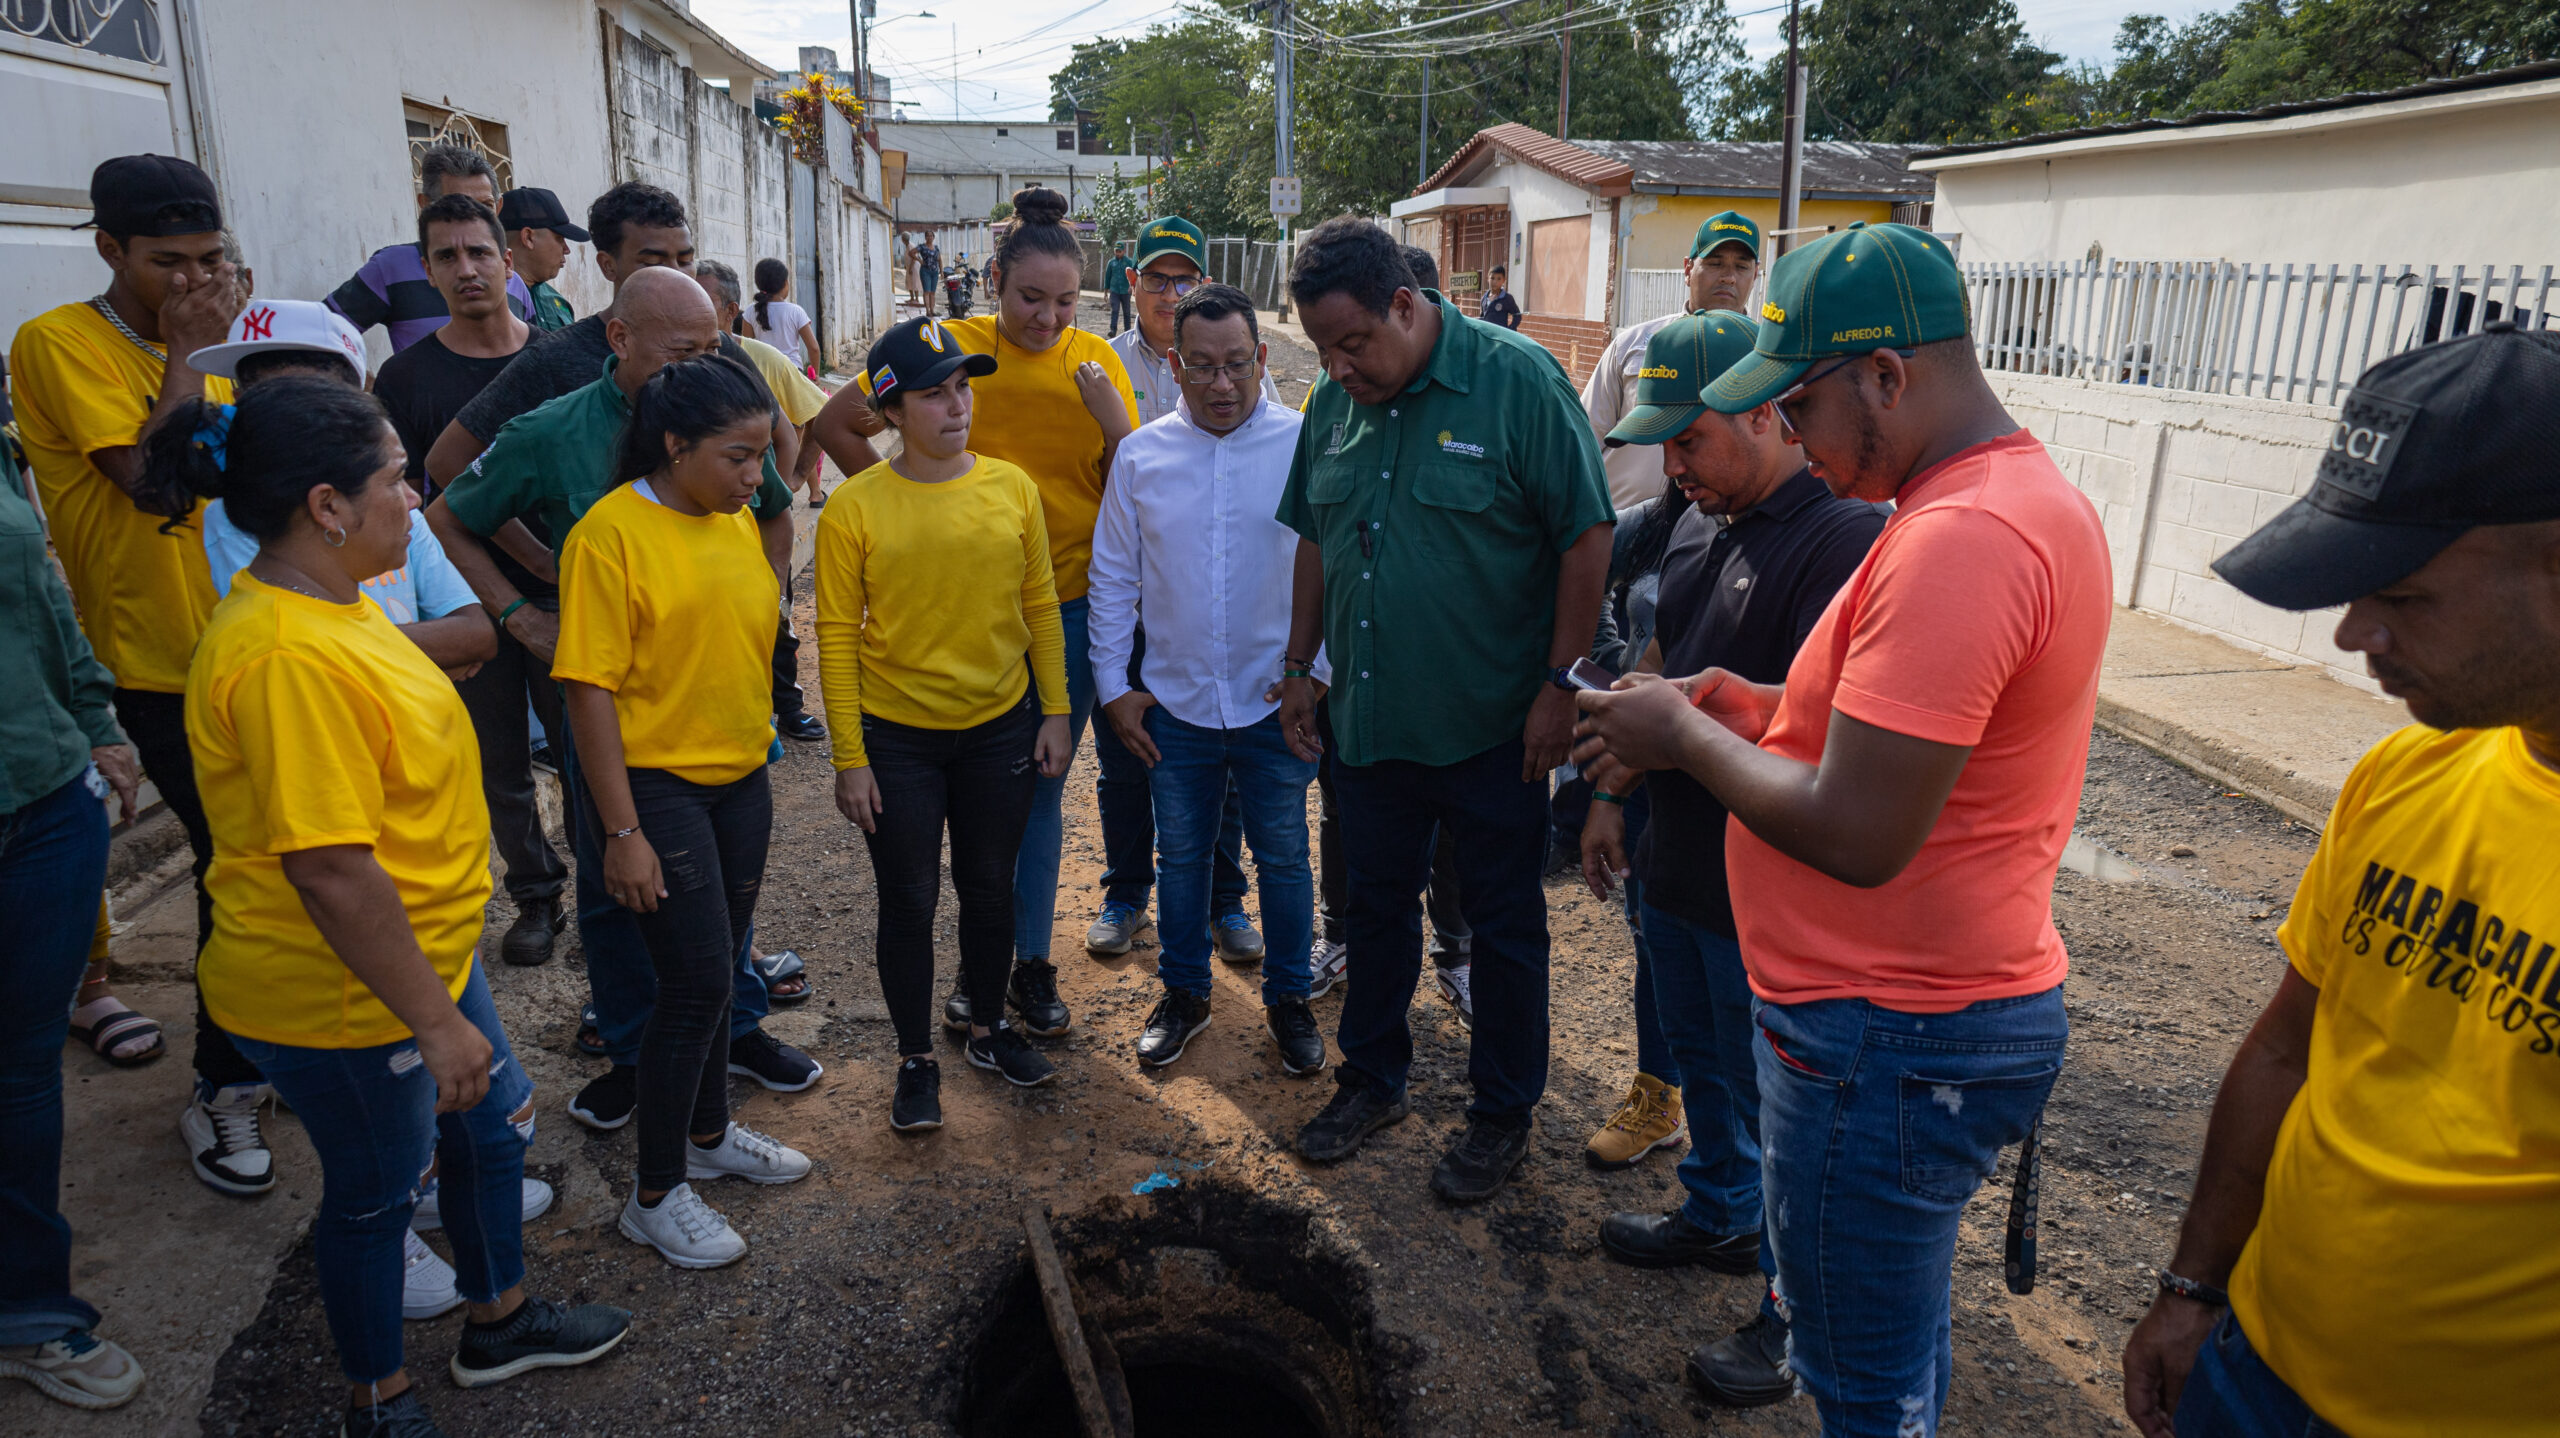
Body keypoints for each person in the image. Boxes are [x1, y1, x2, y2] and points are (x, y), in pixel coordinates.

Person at [1572, 222, 2109, 1435]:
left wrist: (1682, 739)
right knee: (1890, 1337)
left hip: (1885, 1029)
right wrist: (1748, 706)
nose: (1801, 440)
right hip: (1907, 1015)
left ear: (1885, 377)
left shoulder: (1961, 538)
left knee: (1855, 1381)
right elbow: (1893, 738)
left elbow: (1861, 829)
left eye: (1801, 404)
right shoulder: (1985, 502)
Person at [136, 376, 629, 1437]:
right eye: (399, 480)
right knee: (372, 1193)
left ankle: (497, 1317)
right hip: (350, 993)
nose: (416, 498)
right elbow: (331, 871)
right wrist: (436, 1020)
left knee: (492, 1132)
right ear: (327, 505)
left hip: (422, 961)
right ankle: (378, 1399)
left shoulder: (335, 600)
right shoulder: (282, 657)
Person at [2119, 327, 2560, 1438]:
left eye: (2403, 598)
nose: (2355, 634)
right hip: (2251, 1368)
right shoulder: (2408, 771)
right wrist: (2191, 1290)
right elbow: (2285, 1046)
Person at [426, 266, 820, 1129]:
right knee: (619, 875)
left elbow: (775, 512)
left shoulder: (726, 421)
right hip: (606, 694)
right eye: (684, 351)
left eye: (714, 346)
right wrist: (521, 612)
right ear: (619, 339)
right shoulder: (554, 431)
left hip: (709, 702)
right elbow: (449, 509)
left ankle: (730, 1030)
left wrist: (760, 597)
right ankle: (641, 1053)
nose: (707, 365)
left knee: (716, 885)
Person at [1577, 311, 1887, 1401]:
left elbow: (1827, 737)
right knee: (1702, 1064)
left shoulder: (1840, 540)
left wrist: (1675, 736)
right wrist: (1612, 788)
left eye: (1692, 440)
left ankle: (1788, 1313)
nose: (1674, 466)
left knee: (1785, 1116)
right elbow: (1663, 658)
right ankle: (1714, 1210)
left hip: (1770, 891)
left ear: (1766, 412)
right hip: (1677, 863)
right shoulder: (1699, 518)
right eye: (1659, 443)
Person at [1275, 218, 1614, 1203]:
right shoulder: (1331, 407)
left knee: (1504, 923)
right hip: (1370, 722)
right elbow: (1312, 534)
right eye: (1324, 351)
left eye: (1355, 344)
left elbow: (1585, 538)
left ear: (1407, 306)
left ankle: (1501, 1111)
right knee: (1374, 910)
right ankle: (1371, 1080)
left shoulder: (1517, 382)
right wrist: (1300, 663)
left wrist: (1562, 685)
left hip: (1492, 727)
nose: (1341, 368)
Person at [6, 154, 268, 1195]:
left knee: (283, 861)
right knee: (233, 872)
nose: (193, 281)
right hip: (161, 665)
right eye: (168, 261)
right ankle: (223, 1087)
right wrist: (191, 354)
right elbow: (152, 483)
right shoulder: (57, 344)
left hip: (262, 640)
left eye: (211, 259)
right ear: (110, 248)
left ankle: (271, 1045)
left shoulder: (223, 330)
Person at [854, 186, 1136, 1036]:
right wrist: (901, 526)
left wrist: (1115, 421)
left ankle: (1029, 966)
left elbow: (1140, 486)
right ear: (993, 283)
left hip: (1074, 609)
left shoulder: (1096, 363)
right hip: (965, 617)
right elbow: (842, 425)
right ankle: (979, 967)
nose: (1048, 319)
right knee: (962, 806)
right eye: (1029, 299)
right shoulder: (951, 349)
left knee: (1040, 793)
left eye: (1064, 301)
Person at [553, 354, 814, 1268]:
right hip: (656, 786)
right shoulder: (610, 535)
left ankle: (709, 1136)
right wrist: (619, 832)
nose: (758, 478)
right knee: (696, 984)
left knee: (724, 964)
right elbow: (587, 692)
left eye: (762, 456)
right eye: (739, 457)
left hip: (740, 777)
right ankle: (654, 1193)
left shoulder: (733, 521)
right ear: (675, 447)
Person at [819, 318, 1075, 1127]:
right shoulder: (854, 509)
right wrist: (850, 758)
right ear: (892, 411)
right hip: (898, 741)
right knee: (909, 897)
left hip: (1001, 727)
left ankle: (991, 1028)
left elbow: (1040, 605)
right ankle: (914, 1057)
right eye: (934, 394)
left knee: (990, 888)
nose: (956, 405)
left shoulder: (1011, 488)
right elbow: (833, 636)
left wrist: (1057, 711)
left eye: (963, 387)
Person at [1089, 283, 1325, 1073]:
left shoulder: (1304, 444)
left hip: (1275, 703)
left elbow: (1333, 571)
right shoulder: (1141, 456)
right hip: (1177, 706)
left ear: (1261, 358)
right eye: (1201, 368)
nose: (1221, 385)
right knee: (1180, 859)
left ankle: (1290, 998)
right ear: (1172, 365)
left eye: (1235, 365)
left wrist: (1314, 674)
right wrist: (1113, 689)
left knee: (1286, 857)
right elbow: (1114, 579)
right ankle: (1185, 992)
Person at [374, 193, 567, 966]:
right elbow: (418, 506)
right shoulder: (406, 378)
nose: (466, 269)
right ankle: (536, 896)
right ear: (426, 272)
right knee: (499, 762)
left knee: (587, 749)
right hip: (461, 603)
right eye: (446, 257)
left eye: (479, 252)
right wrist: (504, 603)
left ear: (508, 259)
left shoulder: (556, 358)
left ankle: (611, 896)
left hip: (565, 595)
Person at [0, 430, 149, 1412]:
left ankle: (27, 1310)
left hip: (43, 796)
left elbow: (43, 591)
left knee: (19, 1075)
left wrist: (96, 721)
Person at [1096, 214, 1269, 965]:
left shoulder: (1221, 355)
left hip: (1207, 597)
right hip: (1136, 588)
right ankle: (1128, 892)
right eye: (1158, 279)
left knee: (1218, 748)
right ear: (1132, 284)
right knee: (1129, 756)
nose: (1172, 292)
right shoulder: (1095, 365)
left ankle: (1224, 902)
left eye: (1185, 279)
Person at [190, 298, 494, 672]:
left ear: (356, 402)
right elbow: (299, 658)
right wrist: (422, 650)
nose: (287, 419)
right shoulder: (239, 514)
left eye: (312, 402)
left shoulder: (395, 502)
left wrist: (341, 648)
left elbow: (476, 635)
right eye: (264, 400)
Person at [692, 259, 830, 746]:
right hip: (696, 528)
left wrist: (789, 479)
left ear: (731, 310)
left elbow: (818, 412)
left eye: (702, 297)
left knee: (777, 618)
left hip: (757, 521)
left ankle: (787, 708)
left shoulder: (760, 360)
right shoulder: (671, 365)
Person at [1583, 211, 1763, 507]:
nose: (1728, 277)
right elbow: (1583, 439)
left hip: (1721, 533)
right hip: (1623, 526)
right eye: (1715, 263)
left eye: (1741, 266)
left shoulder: (1766, 358)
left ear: (1755, 274)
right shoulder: (1635, 345)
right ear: (1688, 268)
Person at [325, 144, 535, 353]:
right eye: (457, 206)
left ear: (498, 208)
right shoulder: (392, 267)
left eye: (485, 206)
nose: (474, 218)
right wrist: (358, 381)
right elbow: (324, 331)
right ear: (425, 205)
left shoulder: (515, 283)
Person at [498, 187, 587, 333]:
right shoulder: (491, 299)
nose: (567, 249)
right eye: (559, 238)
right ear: (528, 238)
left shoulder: (557, 301)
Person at [749, 259, 819, 376]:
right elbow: (814, 348)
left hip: (763, 375)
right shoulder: (796, 311)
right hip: (792, 373)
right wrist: (815, 374)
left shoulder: (751, 311)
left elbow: (746, 348)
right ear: (785, 283)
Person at [1103, 240, 1135, 337]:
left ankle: (1127, 331)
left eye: (1119, 251)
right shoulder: (1111, 263)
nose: (1117, 253)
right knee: (1115, 310)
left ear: (1123, 251)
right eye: (1116, 251)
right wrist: (1105, 293)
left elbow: (1134, 274)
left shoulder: (1129, 262)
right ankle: (1113, 330)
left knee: (1126, 312)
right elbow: (1107, 277)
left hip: (1126, 291)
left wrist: (1132, 286)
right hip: (1114, 291)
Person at [1479, 265, 1522, 330]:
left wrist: (1510, 329)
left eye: (1499, 279)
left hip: (1500, 337)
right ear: (1488, 279)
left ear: (1504, 280)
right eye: (1492, 278)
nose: (1495, 282)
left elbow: (1517, 315)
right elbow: (1482, 317)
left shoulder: (1507, 298)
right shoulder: (1484, 298)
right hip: (1486, 335)